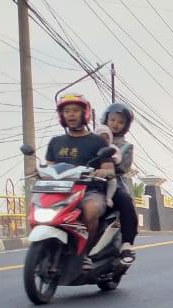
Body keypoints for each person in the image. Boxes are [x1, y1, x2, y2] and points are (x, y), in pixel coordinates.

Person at [46, 93, 114, 271]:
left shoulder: (97, 141)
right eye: (66, 111)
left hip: (89, 191)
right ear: (61, 115)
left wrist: (103, 171)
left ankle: (85, 254)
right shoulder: (55, 142)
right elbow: (49, 168)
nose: (71, 114)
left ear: (84, 114)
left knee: (90, 211)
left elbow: (109, 169)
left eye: (75, 110)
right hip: (60, 191)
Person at [101, 102, 139, 261]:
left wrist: (107, 170)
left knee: (125, 202)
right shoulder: (94, 138)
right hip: (87, 182)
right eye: (113, 120)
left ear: (125, 126)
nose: (116, 124)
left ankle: (126, 245)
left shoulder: (126, 146)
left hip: (112, 183)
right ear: (106, 119)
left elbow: (123, 167)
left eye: (120, 122)